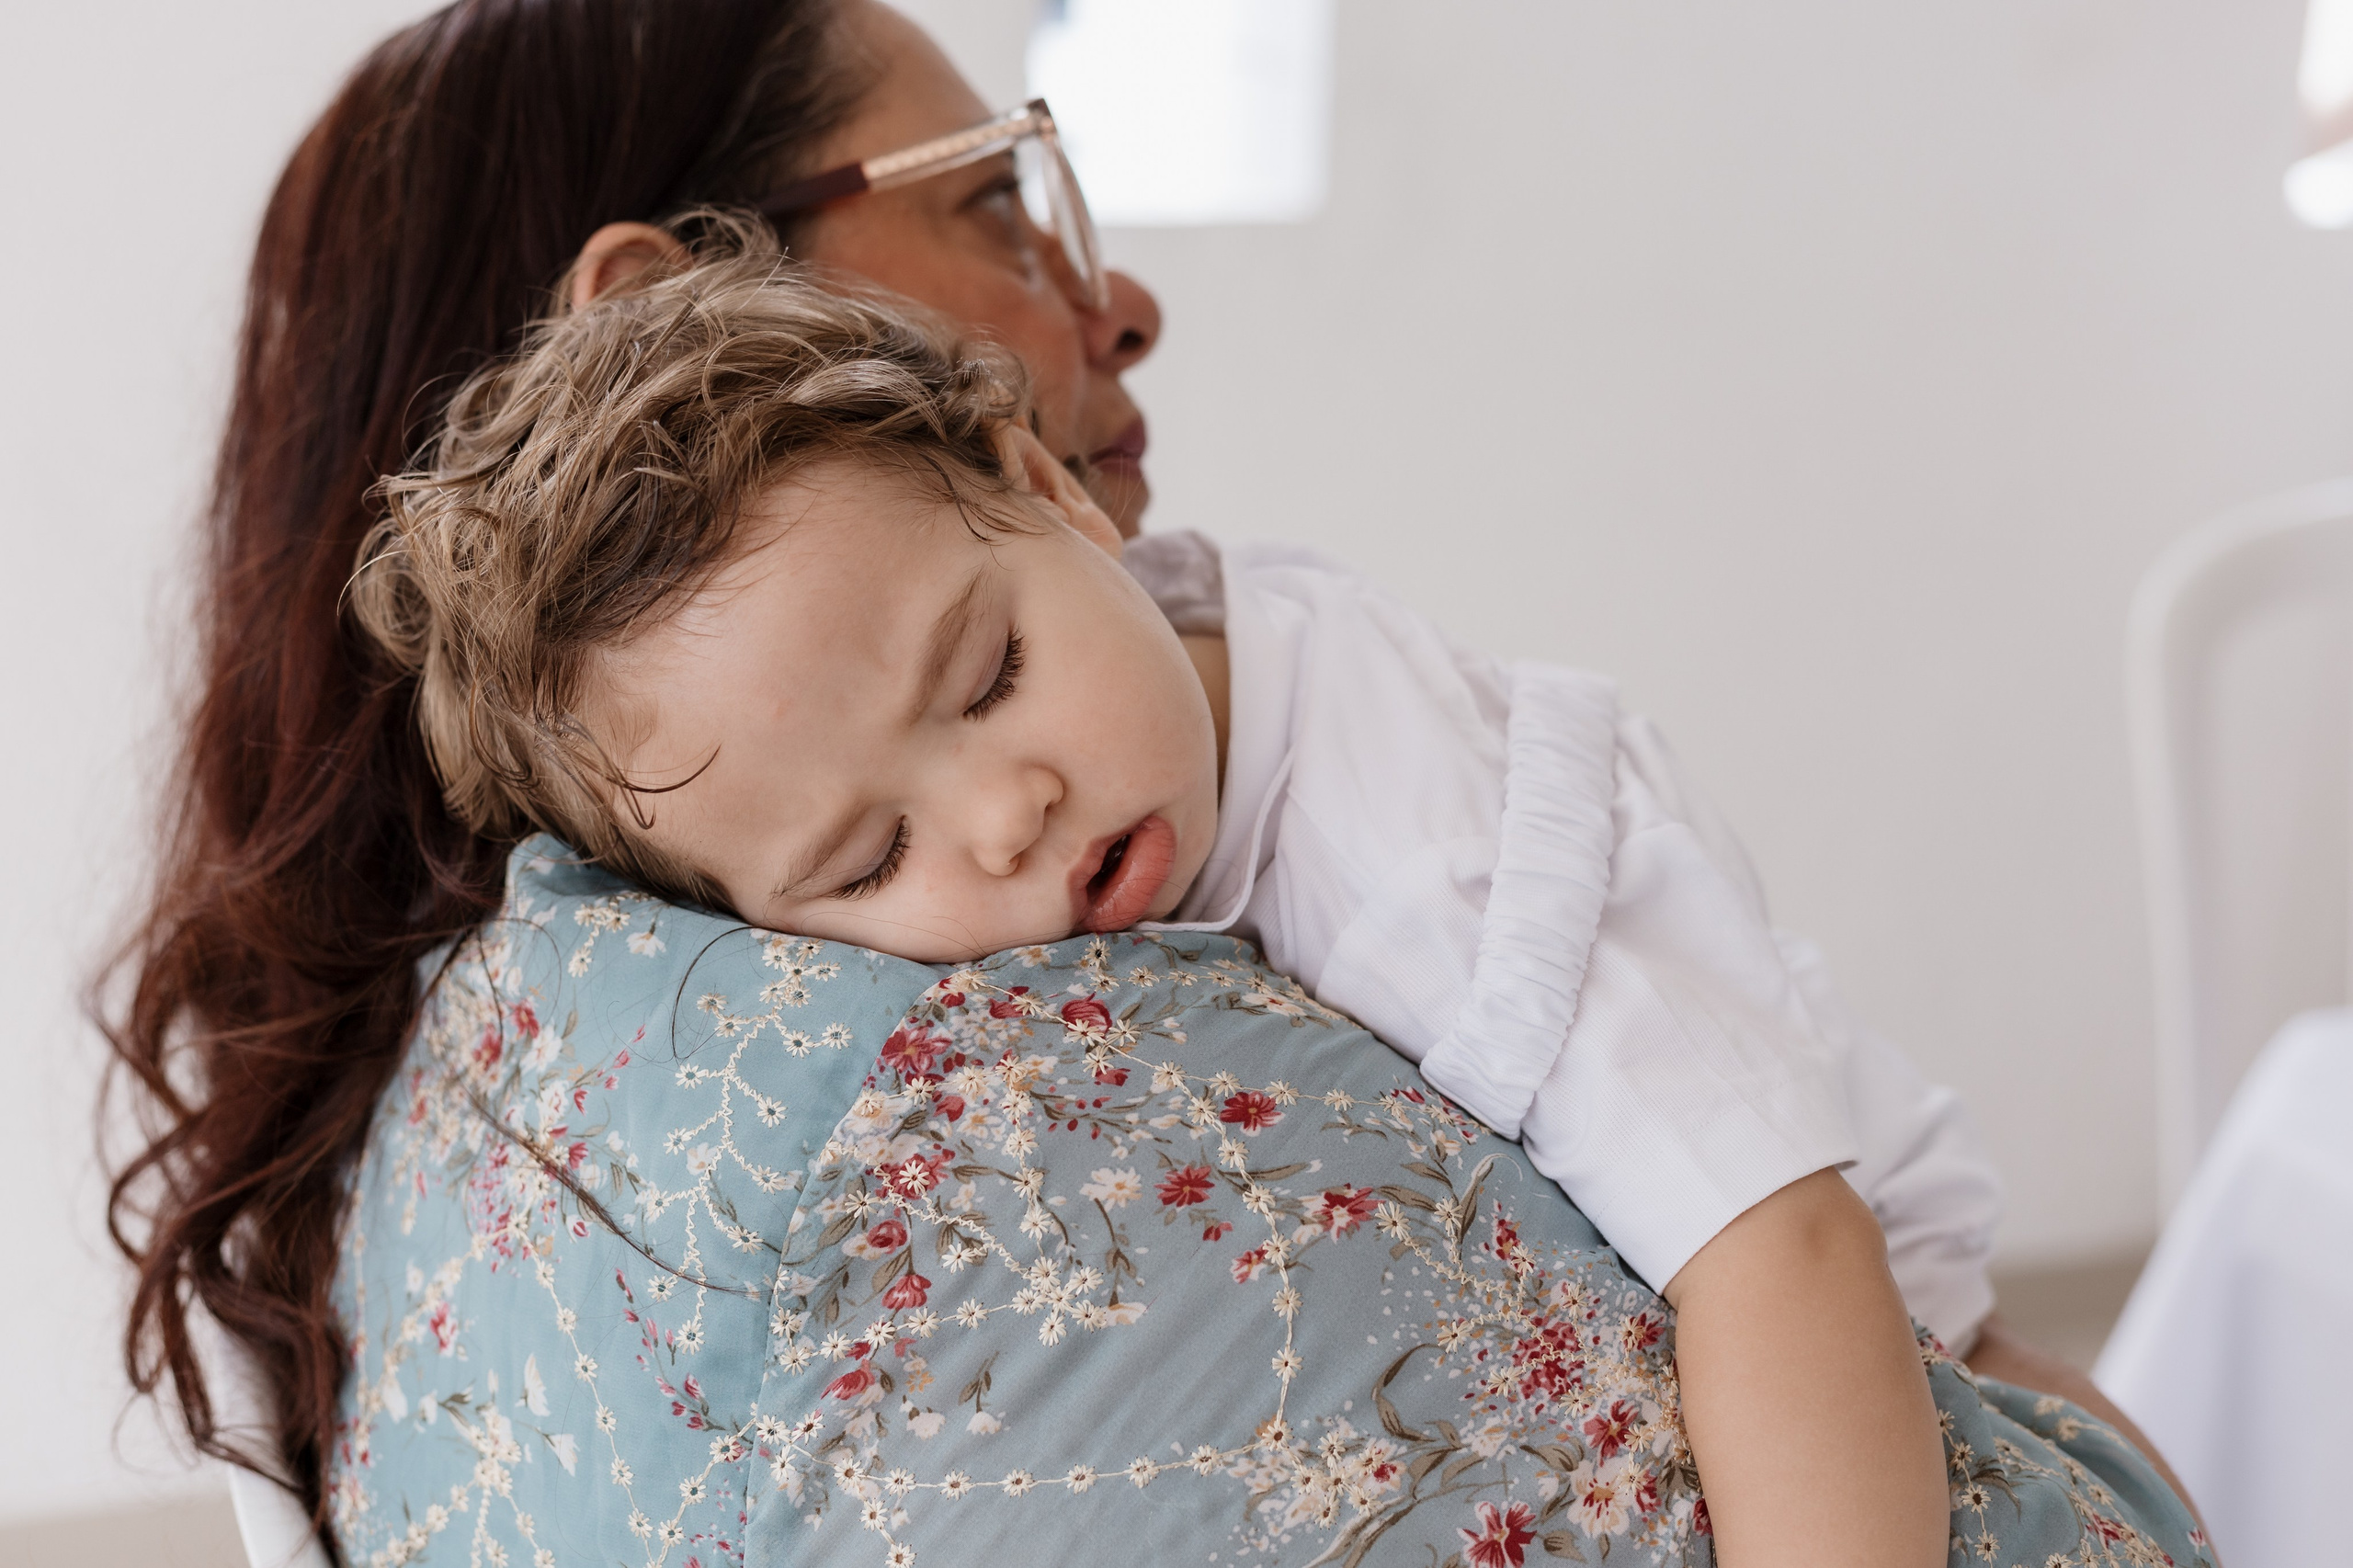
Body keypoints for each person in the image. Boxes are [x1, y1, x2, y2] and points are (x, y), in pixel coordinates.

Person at [101, 0, 2169, 1552]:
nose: (988, 827)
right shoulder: (737, 865)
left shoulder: (1381, 795)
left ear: (996, 479)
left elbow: (1782, 1236)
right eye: (991, 197)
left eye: (983, 676)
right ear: (684, 303)